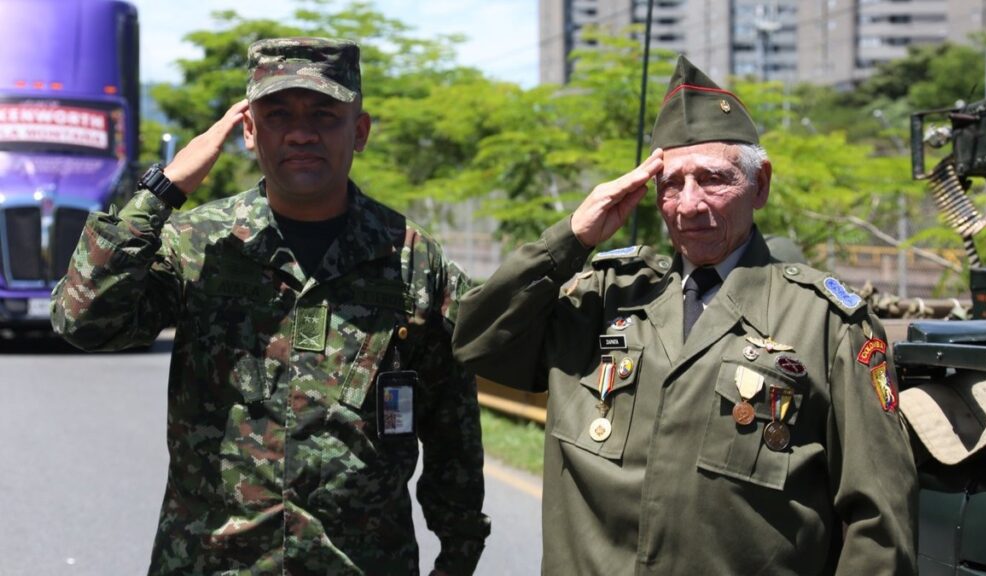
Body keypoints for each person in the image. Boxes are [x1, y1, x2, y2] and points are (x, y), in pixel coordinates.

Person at [453, 55, 916, 574]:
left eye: (713, 179)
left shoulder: (827, 324)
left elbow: (879, 524)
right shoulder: (603, 298)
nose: (689, 204)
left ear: (759, 184)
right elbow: (474, 342)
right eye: (672, 183)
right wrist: (571, 239)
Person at [51, 37, 489, 575]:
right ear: (250, 133)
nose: (301, 132)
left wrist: (459, 552)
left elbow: (452, 424)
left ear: (360, 131)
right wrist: (163, 189)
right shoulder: (199, 243)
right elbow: (83, 319)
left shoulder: (411, 257)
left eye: (325, 115)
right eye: (278, 114)